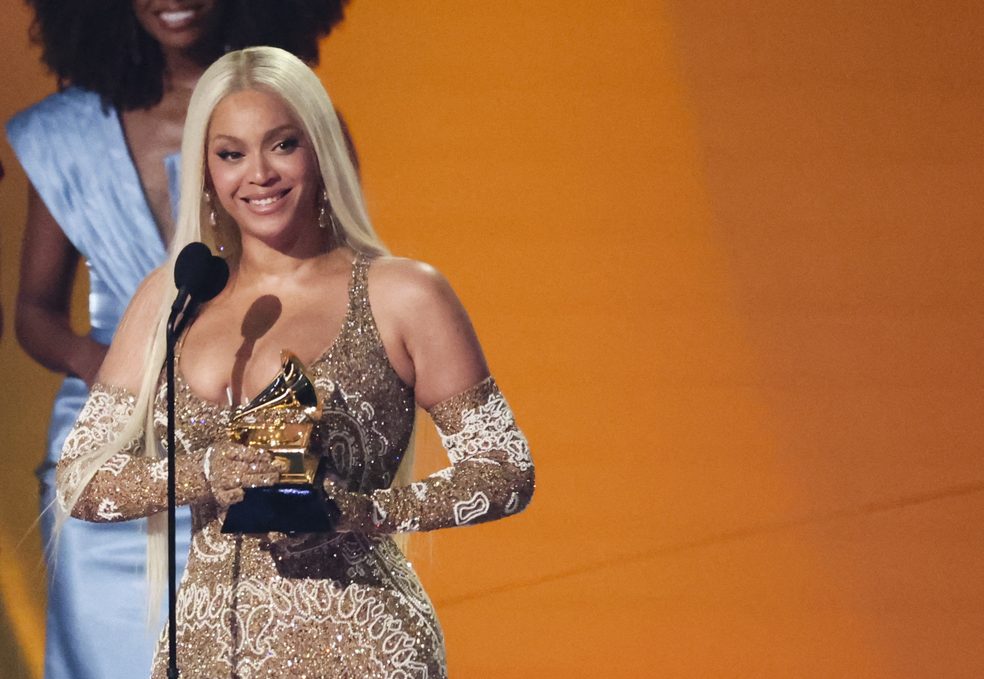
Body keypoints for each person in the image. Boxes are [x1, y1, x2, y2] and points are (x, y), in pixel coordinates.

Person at [55, 46, 535, 678]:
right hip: (209, 649)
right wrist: (204, 470)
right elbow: (80, 483)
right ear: (206, 167)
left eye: (281, 145)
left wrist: (365, 513)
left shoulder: (403, 293)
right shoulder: (173, 297)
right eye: (231, 153)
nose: (259, 174)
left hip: (365, 646)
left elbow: (505, 471)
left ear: (319, 150)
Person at [5, 3, 349, 678]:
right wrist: (103, 366)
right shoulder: (68, 133)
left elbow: (343, 297)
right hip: (116, 463)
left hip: (262, 437)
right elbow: (34, 312)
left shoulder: (294, 119)